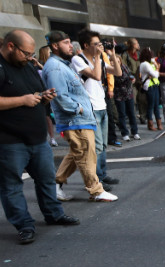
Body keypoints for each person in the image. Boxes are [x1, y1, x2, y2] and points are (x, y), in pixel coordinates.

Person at [0, 30, 80, 245]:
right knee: (11, 186)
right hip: (9, 140)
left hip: (38, 138)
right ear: (10, 46)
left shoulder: (27, 66)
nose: (29, 57)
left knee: (46, 179)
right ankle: (24, 224)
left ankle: (54, 214)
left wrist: (45, 97)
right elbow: (21, 99)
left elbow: (36, 94)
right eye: (25, 53)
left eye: (31, 53)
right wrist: (23, 100)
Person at [42, 30, 118, 202]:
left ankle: (55, 185)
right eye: (66, 42)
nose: (71, 46)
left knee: (76, 154)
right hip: (75, 120)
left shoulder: (62, 64)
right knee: (85, 154)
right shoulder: (55, 67)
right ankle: (96, 190)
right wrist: (79, 109)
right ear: (55, 46)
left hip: (80, 119)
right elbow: (60, 96)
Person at [72, 29, 122, 190]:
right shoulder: (78, 59)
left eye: (100, 44)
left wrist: (112, 54)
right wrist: (98, 57)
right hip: (90, 108)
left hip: (102, 105)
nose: (99, 47)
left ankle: (103, 174)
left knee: (103, 145)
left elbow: (118, 72)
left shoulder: (99, 59)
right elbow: (96, 76)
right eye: (96, 44)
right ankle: (97, 178)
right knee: (97, 145)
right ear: (86, 45)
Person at [113, 44, 139, 141]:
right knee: (122, 114)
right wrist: (128, 80)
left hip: (128, 93)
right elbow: (118, 80)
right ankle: (125, 133)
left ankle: (135, 132)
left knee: (132, 113)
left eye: (118, 61)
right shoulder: (113, 70)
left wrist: (133, 79)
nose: (117, 63)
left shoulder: (125, 67)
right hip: (119, 94)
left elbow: (130, 76)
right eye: (115, 61)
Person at [36, 45, 58, 147]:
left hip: (48, 92)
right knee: (45, 115)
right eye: (49, 51)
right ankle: (45, 138)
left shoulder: (47, 64)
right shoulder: (39, 65)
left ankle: (52, 138)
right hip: (42, 92)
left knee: (48, 115)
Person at [121, 38, 145, 125]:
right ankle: (133, 118)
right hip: (132, 80)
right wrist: (131, 77)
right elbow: (124, 67)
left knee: (142, 99)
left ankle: (143, 117)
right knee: (133, 100)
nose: (138, 45)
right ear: (133, 45)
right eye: (137, 43)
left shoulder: (138, 54)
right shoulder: (125, 55)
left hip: (140, 80)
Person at [139, 47, 162, 131]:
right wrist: (157, 68)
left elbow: (156, 75)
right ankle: (150, 124)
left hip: (155, 85)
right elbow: (156, 74)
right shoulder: (145, 64)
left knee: (156, 105)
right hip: (149, 86)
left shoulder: (149, 63)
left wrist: (155, 70)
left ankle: (159, 123)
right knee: (151, 105)